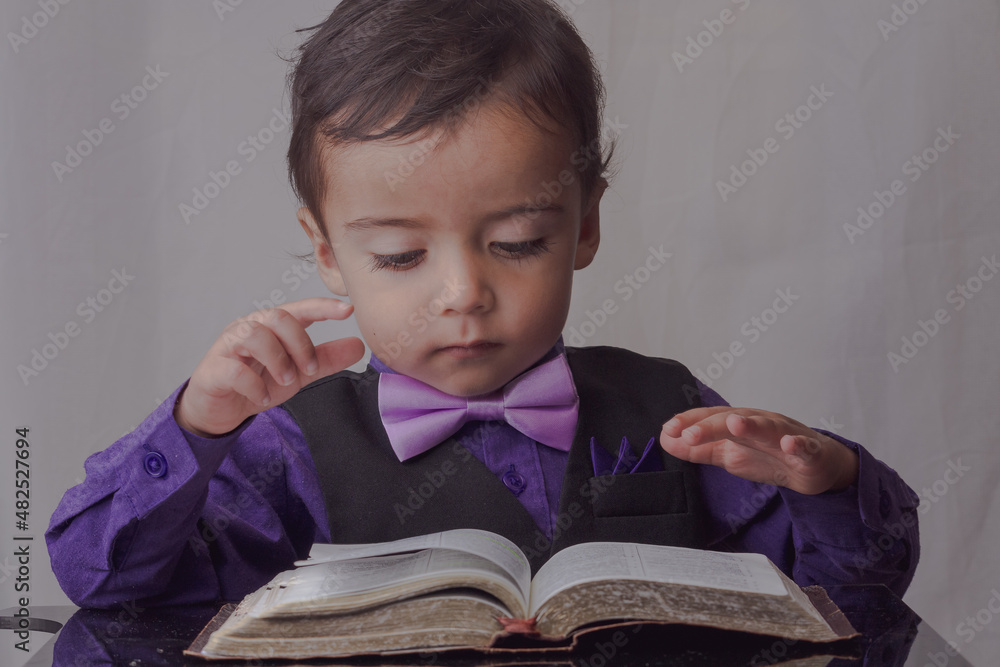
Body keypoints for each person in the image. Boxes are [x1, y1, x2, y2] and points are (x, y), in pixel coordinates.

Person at [46, 0, 919, 609]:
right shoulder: (288, 444)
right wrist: (198, 429)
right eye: (399, 254)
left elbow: (850, 594)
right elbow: (109, 587)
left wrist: (829, 482)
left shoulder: (668, 409)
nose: (463, 293)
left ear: (585, 225)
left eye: (517, 242)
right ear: (328, 253)